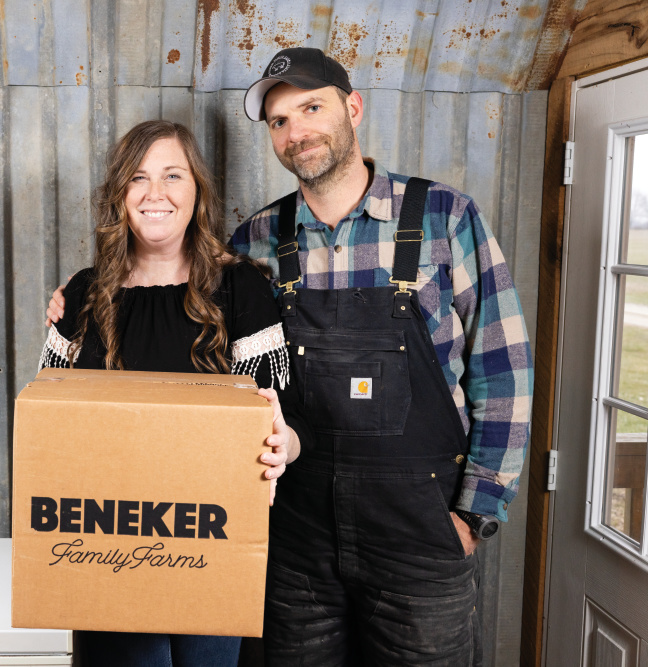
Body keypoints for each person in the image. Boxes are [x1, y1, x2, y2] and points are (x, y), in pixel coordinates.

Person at [48, 49, 534, 666]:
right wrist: (75, 300)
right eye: (279, 120)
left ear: (352, 107)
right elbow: (183, 315)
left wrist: (474, 514)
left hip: (419, 525)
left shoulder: (442, 217)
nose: (296, 131)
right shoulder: (254, 241)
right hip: (297, 537)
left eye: (311, 108)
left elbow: (504, 368)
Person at [38, 119, 302, 667]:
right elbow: (49, 432)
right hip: (105, 550)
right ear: (120, 195)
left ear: (196, 191)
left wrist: (284, 449)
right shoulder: (84, 294)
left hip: (212, 549)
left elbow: (282, 425)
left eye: (172, 175)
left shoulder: (242, 289)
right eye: (138, 178)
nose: (155, 194)